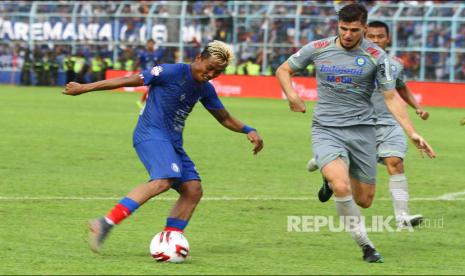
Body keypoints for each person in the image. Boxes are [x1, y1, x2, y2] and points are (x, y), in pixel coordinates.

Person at [63, 40, 264, 253]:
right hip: (150, 134)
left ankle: (169, 242)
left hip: (172, 142)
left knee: (193, 190)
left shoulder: (205, 89)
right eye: (210, 67)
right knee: (163, 180)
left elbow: (223, 117)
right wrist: (84, 87)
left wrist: (248, 129)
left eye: (218, 71)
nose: (212, 73)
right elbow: (129, 79)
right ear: (198, 59)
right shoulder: (171, 71)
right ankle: (104, 223)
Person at [275, 3, 435, 263]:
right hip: (326, 128)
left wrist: (412, 132)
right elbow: (283, 69)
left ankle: (332, 171)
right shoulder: (318, 48)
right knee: (341, 186)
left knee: (364, 200)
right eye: (343, 28)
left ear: (364, 27)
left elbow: (391, 96)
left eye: (354, 30)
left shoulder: (376, 56)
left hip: (363, 131)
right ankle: (366, 246)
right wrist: (292, 96)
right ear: (337, 25)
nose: (347, 34)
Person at [307, 20, 430, 229]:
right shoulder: (350, 60)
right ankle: (329, 170)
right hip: (360, 125)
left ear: (388, 38)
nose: (375, 40)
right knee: (361, 197)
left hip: (389, 123)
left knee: (396, 162)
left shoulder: (394, 63)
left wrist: (417, 106)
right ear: (364, 35)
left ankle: (402, 216)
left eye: (380, 36)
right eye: (370, 36)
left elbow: (401, 87)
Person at [135, 39, 165, 108]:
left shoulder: (157, 54)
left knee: (153, 88)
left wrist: (162, 70)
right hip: (146, 73)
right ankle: (142, 102)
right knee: (151, 87)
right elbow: (138, 62)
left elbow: (160, 63)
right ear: (147, 44)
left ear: (154, 45)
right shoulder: (143, 53)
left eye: (152, 44)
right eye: (149, 44)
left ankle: (144, 102)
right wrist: (135, 69)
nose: (150, 45)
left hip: (155, 73)